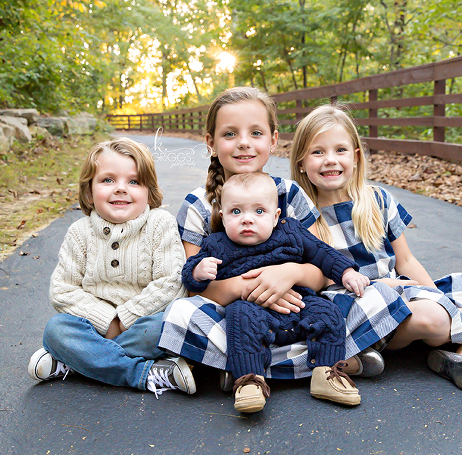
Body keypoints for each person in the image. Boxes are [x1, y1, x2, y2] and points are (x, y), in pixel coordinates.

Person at [159, 87, 408, 388]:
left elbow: (321, 269)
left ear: (273, 140)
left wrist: (289, 273)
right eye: (229, 134)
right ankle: (332, 361)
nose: (243, 144)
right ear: (211, 143)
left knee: (373, 296)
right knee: (180, 314)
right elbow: (196, 288)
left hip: (299, 307)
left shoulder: (289, 194)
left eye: (256, 133)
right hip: (236, 318)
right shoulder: (198, 204)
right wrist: (248, 287)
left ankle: (241, 369)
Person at [290, 104, 462, 395]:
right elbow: (321, 278)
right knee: (436, 319)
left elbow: (406, 261)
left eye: (340, 150)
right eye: (317, 152)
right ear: (301, 161)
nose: (330, 160)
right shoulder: (300, 215)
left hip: (402, 291)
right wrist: (380, 285)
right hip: (354, 303)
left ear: (355, 155)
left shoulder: (377, 199)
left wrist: (440, 297)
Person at [183, 172, 369, 412]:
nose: (247, 219)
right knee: (239, 317)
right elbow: (189, 277)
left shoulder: (290, 231)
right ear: (222, 216)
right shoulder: (215, 245)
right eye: (236, 212)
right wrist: (198, 271)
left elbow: (322, 252)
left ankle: (327, 372)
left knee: (328, 311)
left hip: (299, 302)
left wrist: (346, 272)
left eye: (259, 211)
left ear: (275, 216)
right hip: (252, 309)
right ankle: (249, 379)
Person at [27, 137, 195, 398]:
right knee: (56, 329)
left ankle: (78, 361)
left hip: (142, 325)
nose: (120, 189)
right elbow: (62, 289)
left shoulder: (159, 224)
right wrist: (107, 322)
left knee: (171, 325)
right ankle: (143, 373)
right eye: (108, 180)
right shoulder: (80, 232)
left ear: (148, 191)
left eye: (133, 181)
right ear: (88, 191)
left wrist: (125, 319)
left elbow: (172, 282)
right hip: (93, 326)